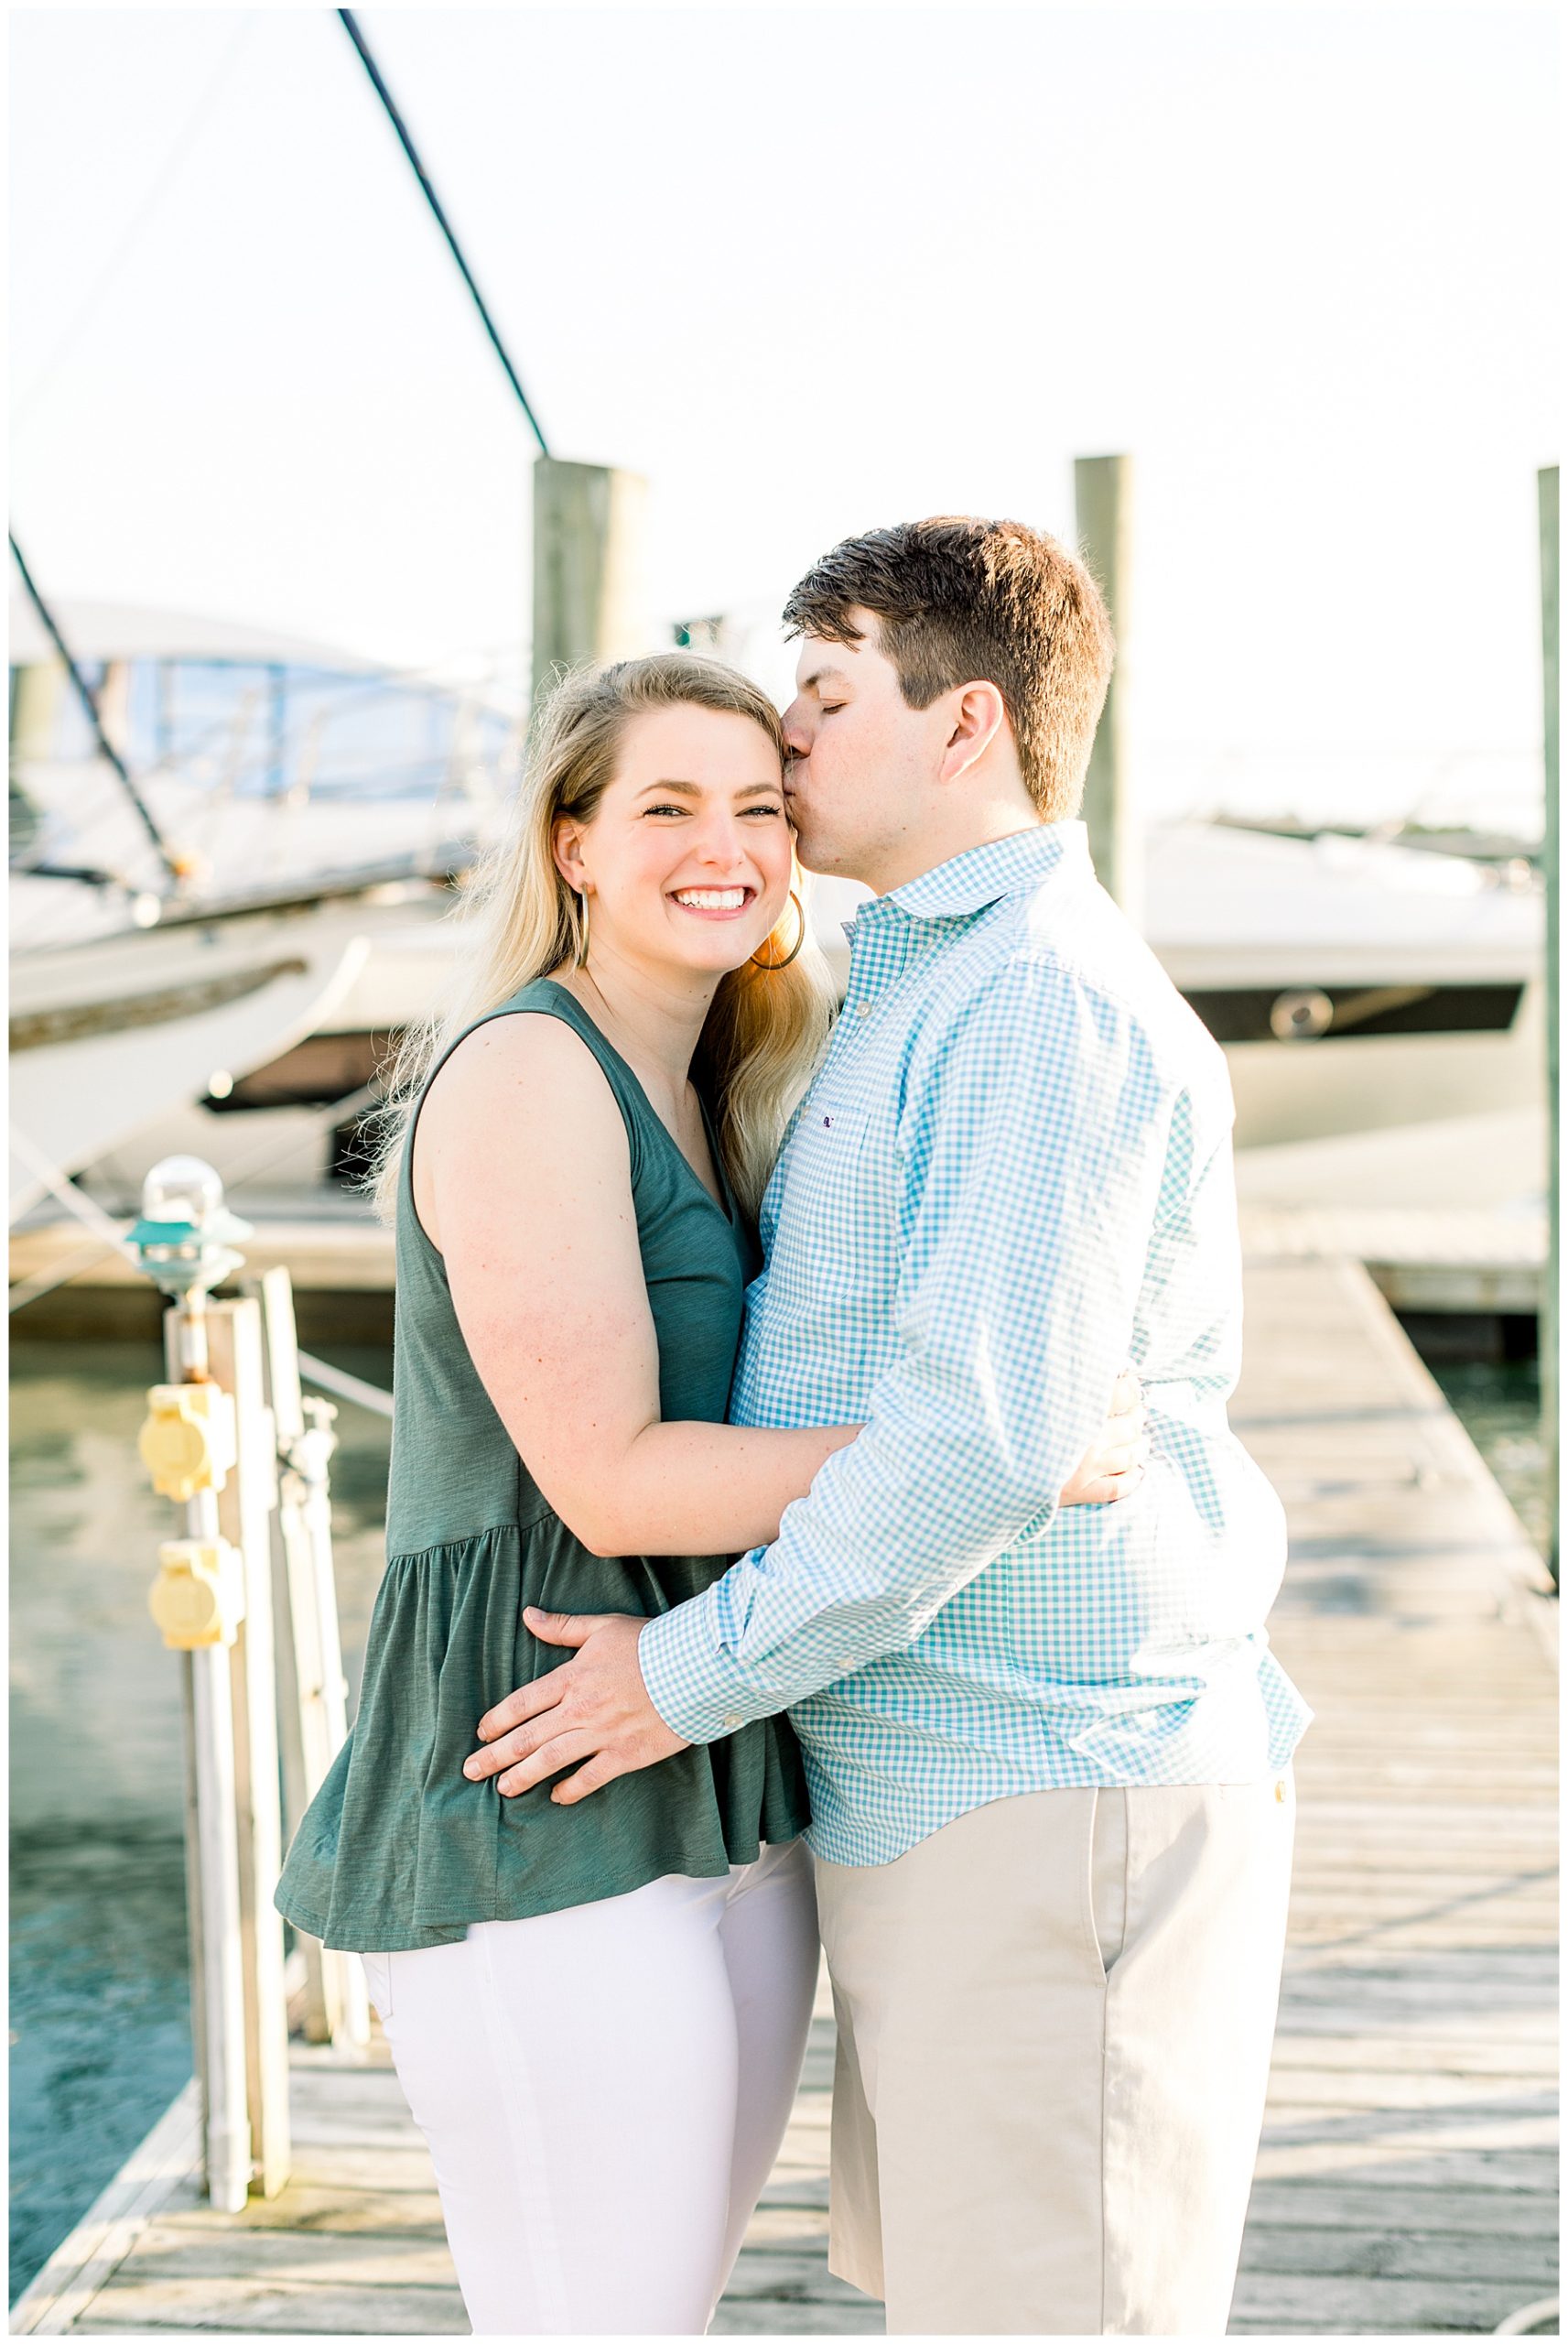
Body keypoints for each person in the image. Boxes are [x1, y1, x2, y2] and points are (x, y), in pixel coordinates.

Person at [467, 518, 1314, 2339]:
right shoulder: (914, 982)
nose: (785, 739)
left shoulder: (1034, 1001)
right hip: (951, 1790)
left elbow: (977, 1444)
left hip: (1047, 1784)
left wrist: (675, 1677)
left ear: (965, 723)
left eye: (826, 695)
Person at [274, 648, 1144, 2337]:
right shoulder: (530, 1070)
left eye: (758, 804)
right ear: (573, 845)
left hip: (708, 1733)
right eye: (666, 806)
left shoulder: (720, 1068)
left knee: (661, 2303)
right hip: (534, 1756)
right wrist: (994, 1447)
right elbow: (607, 1483)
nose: (724, 844)